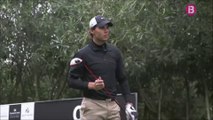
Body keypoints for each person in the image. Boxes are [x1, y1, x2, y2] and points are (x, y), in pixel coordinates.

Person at [68, 15, 137, 120]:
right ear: (92, 31)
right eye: (102, 28)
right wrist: (91, 85)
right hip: (92, 107)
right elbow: (71, 81)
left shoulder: (115, 52)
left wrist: (128, 103)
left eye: (107, 28)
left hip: (113, 106)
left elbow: (122, 79)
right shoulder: (82, 54)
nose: (106, 31)